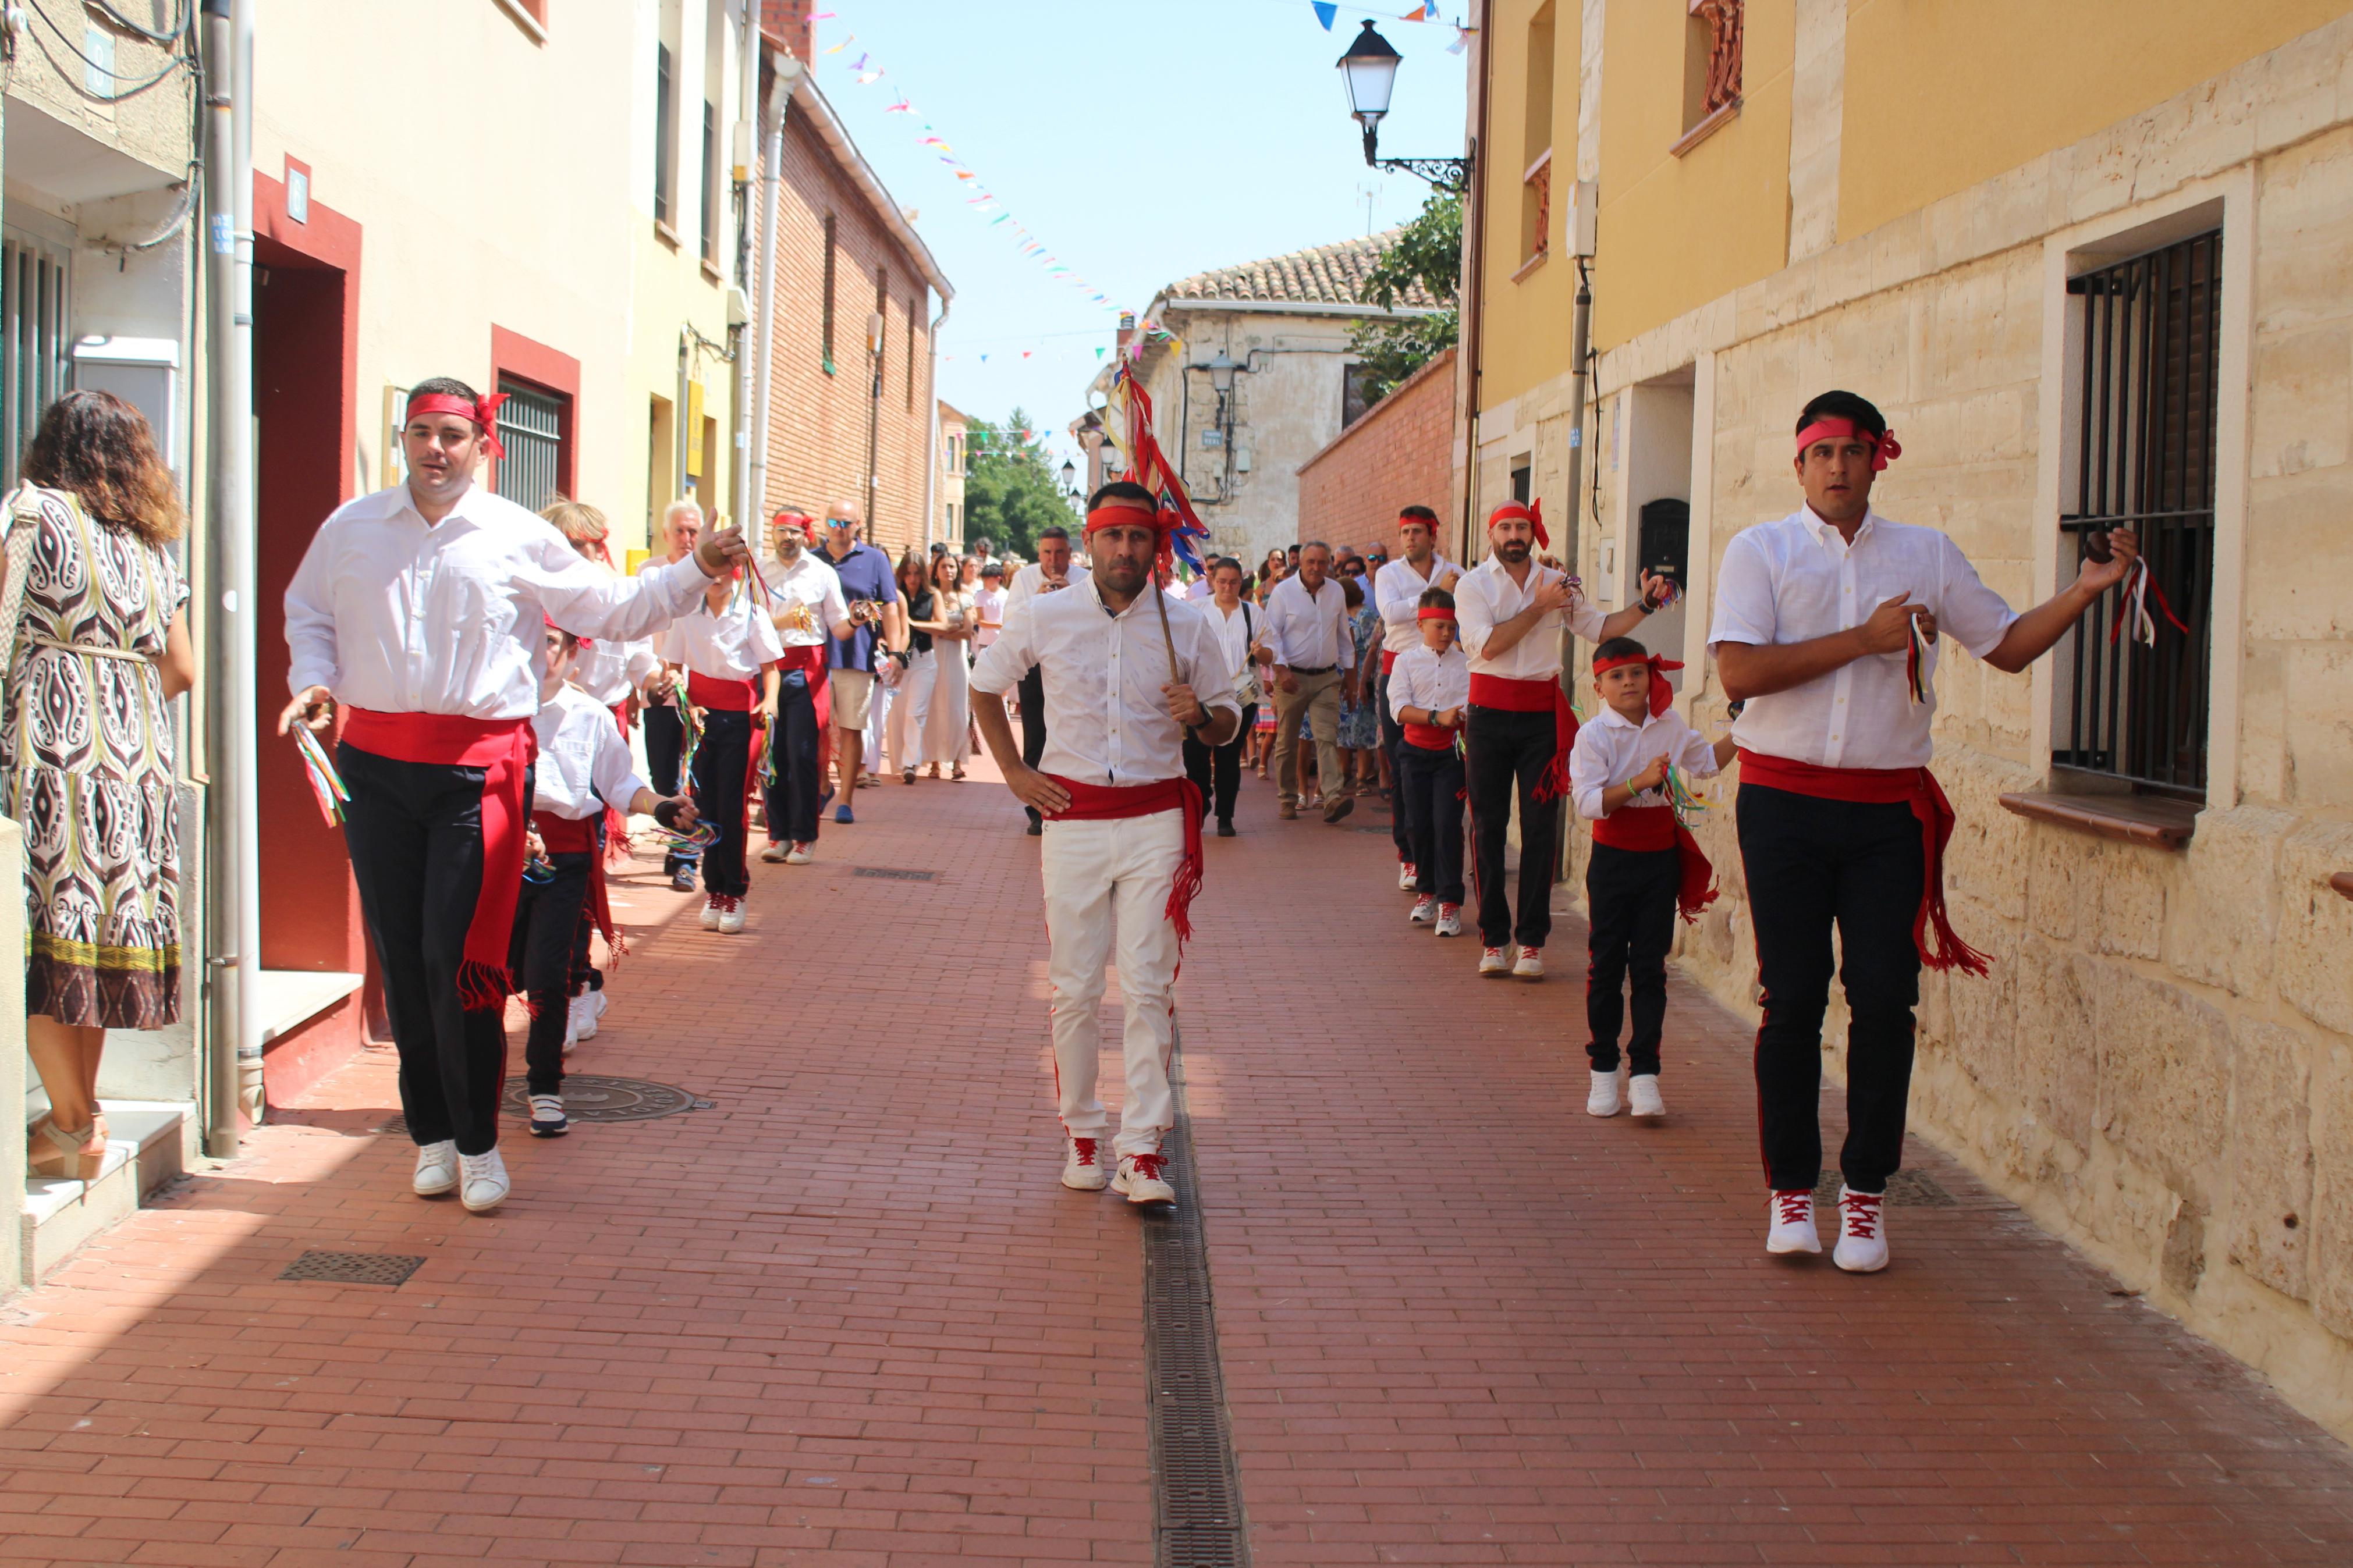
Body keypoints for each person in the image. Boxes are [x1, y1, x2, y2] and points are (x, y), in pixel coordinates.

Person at [282, 377, 745, 1213]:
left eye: (452, 435)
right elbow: (308, 613)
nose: (435, 448)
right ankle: (428, 1134)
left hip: (478, 774)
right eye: (421, 431)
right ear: (403, 438)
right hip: (376, 771)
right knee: (400, 958)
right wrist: (314, 683)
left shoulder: (514, 534)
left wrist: (693, 571)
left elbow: (611, 605)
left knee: (457, 960)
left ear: (482, 446)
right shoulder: (351, 527)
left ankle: (479, 1142)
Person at [1710, 389, 2140, 1271]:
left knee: (1883, 1000)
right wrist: (1861, 639)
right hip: (1781, 802)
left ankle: (1863, 1198)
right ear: (1798, 464)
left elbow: (2009, 645)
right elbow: (1741, 668)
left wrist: (2087, 588)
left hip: (1885, 812)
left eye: (1854, 451)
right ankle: (1791, 1193)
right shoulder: (1759, 550)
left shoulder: (1926, 554)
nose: (1837, 467)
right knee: (1789, 997)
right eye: (1821, 452)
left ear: (1879, 459)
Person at [971, 481, 1241, 1208]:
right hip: (1073, 819)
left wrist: (1204, 717)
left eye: (1139, 538)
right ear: (1090, 542)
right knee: (1076, 987)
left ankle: (1143, 1150)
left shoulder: (1185, 627)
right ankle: (1082, 1136)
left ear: (1157, 545)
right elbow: (985, 684)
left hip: (1156, 818)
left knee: (1150, 984)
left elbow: (1227, 721)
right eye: (1112, 537)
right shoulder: (1046, 614)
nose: (1125, 550)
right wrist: (1014, 773)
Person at [6, 392, 194, 1181]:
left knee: (44, 935)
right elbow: (182, 667)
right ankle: (73, 1118)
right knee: (93, 939)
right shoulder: (152, 545)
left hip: (57, 746)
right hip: (137, 760)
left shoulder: (34, 511)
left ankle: (73, 1120)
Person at [1456, 501, 1664, 980]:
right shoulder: (1472, 585)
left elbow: (1601, 629)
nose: (1513, 534)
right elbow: (1486, 646)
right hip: (1487, 714)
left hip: (1539, 717)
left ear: (1533, 533)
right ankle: (1493, 938)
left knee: (1540, 829)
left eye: (1521, 527)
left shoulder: (1559, 584)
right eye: (1505, 527)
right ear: (1492, 533)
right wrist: (1540, 606)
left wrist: (1647, 604)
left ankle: (1530, 942)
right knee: (1487, 825)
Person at [514, 624, 697, 1136]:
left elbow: (619, 782)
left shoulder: (590, 714)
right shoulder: (493, 707)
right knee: (494, 971)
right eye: (531, 637)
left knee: (549, 973)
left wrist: (661, 806)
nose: (538, 650)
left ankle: (544, 1088)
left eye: (550, 641)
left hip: (565, 856)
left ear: (574, 654)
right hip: (500, 848)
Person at [1568, 637, 1737, 1123]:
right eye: (1617, 676)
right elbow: (1587, 803)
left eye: (1636, 674)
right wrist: (1640, 782)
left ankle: (1645, 1074)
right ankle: (1603, 1068)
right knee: (1604, 964)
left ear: (1649, 678)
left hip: (1659, 858)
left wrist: (1746, 731)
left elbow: (1706, 763)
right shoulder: (1594, 735)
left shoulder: (1670, 725)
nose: (1628, 683)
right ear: (1599, 685)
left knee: (1649, 967)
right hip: (1613, 858)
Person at [658, 565, 783, 933]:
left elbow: (770, 668)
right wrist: (686, 701)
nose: (717, 578)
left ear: (737, 574)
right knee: (704, 805)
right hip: (700, 720)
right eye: (710, 569)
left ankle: (734, 891)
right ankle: (713, 890)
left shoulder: (752, 614)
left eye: (725, 571)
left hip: (740, 720)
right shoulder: (686, 614)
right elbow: (673, 666)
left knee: (732, 806)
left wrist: (771, 700)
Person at [757, 510, 851, 865]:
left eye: (794, 532)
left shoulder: (822, 572)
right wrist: (780, 621)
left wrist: (857, 619)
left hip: (806, 672)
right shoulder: (758, 570)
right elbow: (746, 620)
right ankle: (778, 835)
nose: (787, 538)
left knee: (802, 756)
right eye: (781, 531)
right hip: (767, 669)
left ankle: (804, 836)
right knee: (772, 756)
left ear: (805, 535)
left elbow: (839, 626)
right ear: (773, 533)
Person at [1374, 507, 1461, 890]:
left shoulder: (1455, 570)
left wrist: (1446, 589)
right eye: (1404, 532)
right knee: (1400, 768)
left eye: (1417, 532)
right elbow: (1391, 615)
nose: (1409, 538)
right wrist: (1435, 595)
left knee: (1453, 765)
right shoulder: (1387, 573)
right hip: (1400, 672)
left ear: (1432, 535)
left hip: (1446, 672)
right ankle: (1407, 856)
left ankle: (1447, 857)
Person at [1385, 588, 1468, 940]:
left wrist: (1458, 718)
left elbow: (1470, 709)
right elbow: (1399, 709)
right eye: (1440, 626)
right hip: (1414, 753)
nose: (1447, 634)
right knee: (1417, 824)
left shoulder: (1467, 664)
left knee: (1447, 824)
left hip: (1451, 756)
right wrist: (1436, 717)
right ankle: (1427, 891)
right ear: (1421, 625)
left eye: (1452, 627)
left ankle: (1450, 901)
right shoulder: (1405, 662)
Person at [815, 500, 904, 825]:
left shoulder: (875, 559)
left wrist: (896, 654)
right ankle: (823, 786)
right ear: (826, 525)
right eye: (835, 523)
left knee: (852, 730)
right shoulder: (812, 560)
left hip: (857, 657)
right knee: (815, 730)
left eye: (847, 524)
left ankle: (846, 799)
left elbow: (891, 607)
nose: (840, 530)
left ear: (858, 526)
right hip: (817, 659)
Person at [1261, 541, 1360, 824]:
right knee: (1288, 740)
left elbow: (1344, 637)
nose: (1317, 568)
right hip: (1291, 677)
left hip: (1327, 677)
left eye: (1322, 563)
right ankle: (1288, 799)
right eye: (1311, 563)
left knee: (1327, 737)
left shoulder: (1336, 591)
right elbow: (1271, 636)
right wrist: (1281, 673)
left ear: (1329, 564)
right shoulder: (1284, 593)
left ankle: (1331, 798)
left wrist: (1350, 681)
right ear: (1301, 564)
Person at [1002, 524, 1090, 834]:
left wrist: (1068, 598)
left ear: (1070, 552)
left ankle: (1072, 798)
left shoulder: (1084, 579)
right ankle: (1037, 809)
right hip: (1035, 667)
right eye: (1048, 553)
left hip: (1071, 666)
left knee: (1071, 730)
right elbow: (1009, 622)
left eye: (1060, 552)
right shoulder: (1024, 579)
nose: (1054, 560)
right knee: (1036, 734)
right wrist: (1037, 601)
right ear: (1039, 553)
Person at [638, 501, 703, 891]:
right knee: (663, 777)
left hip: (704, 699)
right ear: (665, 535)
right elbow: (637, 636)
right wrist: (642, 685)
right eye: (679, 530)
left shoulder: (710, 577)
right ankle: (677, 840)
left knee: (692, 777)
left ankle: (685, 857)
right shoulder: (648, 574)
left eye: (693, 531)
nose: (687, 538)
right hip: (660, 695)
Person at [1182, 557, 1261, 837]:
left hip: (1241, 696)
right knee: (1195, 756)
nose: (1228, 587)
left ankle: (1225, 816)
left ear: (1242, 583)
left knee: (1229, 756)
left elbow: (1270, 654)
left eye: (1234, 582)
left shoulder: (1253, 613)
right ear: (1212, 582)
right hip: (1202, 693)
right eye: (1222, 582)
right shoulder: (1195, 610)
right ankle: (1200, 803)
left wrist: (1261, 650)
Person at [906, 549, 975, 780]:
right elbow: (923, 627)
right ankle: (934, 762)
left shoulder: (965, 595)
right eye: (944, 566)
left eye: (953, 567)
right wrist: (945, 629)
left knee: (957, 709)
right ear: (935, 571)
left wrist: (943, 631)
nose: (949, 571)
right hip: (932, 657)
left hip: (956, 659)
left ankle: (957, 761)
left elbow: (967, 631)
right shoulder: (929, 596)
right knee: (933, 707)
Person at [1336, 574, 1383, 796]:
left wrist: (1362, 682)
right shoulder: (1341, 614)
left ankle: (1362, 776)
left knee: (1364, 729)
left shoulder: (1366, 616)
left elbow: (1370, 649)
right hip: (1343, 678)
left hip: (1362, 677)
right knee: (1343, 729)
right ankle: (1343, 772)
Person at [886, 550, 927, 781]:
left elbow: (942, 623)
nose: (912, 579)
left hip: (923, 659)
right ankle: (900, 761)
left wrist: (918, 624)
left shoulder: (931, 596)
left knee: (916, 712)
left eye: (917, 574)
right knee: (897, 714)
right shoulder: (894, 596)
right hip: (899, 661)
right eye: (908, 574)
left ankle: (910, 763)